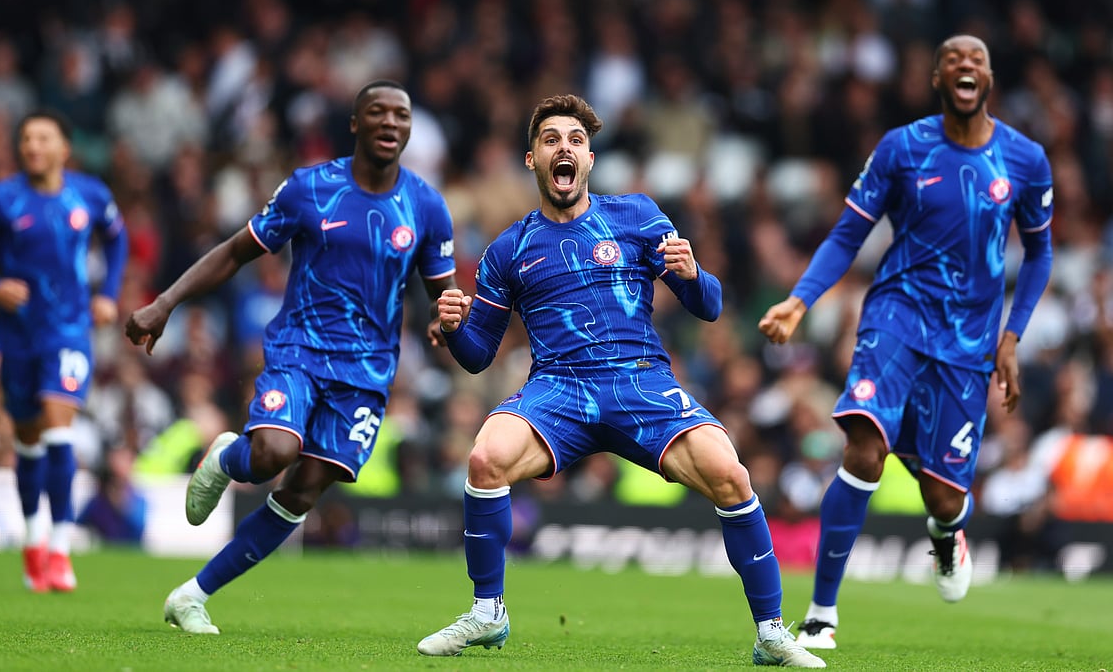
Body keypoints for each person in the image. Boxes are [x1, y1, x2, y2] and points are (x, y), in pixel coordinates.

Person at [416, 94, 825, 668]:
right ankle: (488, 612)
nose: (565, 148)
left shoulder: (636, 215)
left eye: (576, 140)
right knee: (485, 459)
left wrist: (692, 273)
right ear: (532, 158)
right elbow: (477, 355)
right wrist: (454, 328)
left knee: (732, 475)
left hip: (640, 383)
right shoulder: (507, 248)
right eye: (551, 139)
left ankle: (771, 632)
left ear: (590, 157)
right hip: (558, 389)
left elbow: (708, 306)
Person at [124, 80, 457, 635]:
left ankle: (192, 596)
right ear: (355, 123)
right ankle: (230, 459)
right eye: (377, 112)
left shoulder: (426, 204)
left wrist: (445, 321)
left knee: (301, 493)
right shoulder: (311, 188)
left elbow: (442, 291)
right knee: (274, 451)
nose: (391, 122)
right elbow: (236, 252)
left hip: (368, 375)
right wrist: (165, 303)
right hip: (300, 351)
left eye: (401, 115)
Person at [758, 34, 1053, 650]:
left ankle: (948, 535)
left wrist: (1012, 336)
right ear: (938, 81)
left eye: (977, 60)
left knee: (944, 496)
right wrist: (801, 298)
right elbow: (847, 233)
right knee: (863, 440)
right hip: (896, 314)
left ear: (989, 79)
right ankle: (821, 612)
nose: (966, 66)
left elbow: (1042, 252)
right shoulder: (903, 147)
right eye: (953, 61)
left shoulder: (1025, 160)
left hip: (969, 341)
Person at [0, 108, 128, 592]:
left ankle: (60, 548)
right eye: (27, 138)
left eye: (43, 138)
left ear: (63, 148)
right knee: (28, 443)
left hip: (70, 330)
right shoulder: (1, 198)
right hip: (17, 335)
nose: (32, 146)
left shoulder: (90, 194)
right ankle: (33, 538)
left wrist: (108, 294)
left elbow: (118, 240)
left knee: (59, 430)